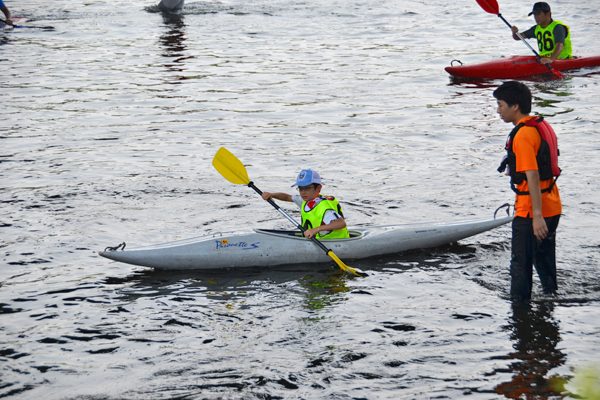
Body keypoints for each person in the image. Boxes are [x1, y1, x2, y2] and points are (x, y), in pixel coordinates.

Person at [493, 81, 562, 301]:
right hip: (552, 204)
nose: (498, 110)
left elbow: (532, 175)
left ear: (514, 106)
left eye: (500, 104)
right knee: (544, 261)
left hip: (531, 211)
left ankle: (519, 314)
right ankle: (550, 303)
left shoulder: (522, 135)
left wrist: (537, 217)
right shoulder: (540, 125)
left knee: (520, 266)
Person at [261, 169, 350, 240]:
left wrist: (316, 229)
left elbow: (341, 223)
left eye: (307, 188)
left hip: (335, 242)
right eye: (300, 188)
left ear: (318, 188)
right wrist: (272, 195)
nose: (303, 193)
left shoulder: (324, 206)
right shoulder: (306, 200)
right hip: (317, 240)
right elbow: (287, 197)